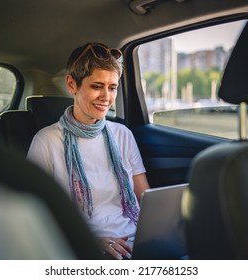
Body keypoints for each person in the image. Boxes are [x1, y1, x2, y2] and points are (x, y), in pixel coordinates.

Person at [27, 42, 150, 260]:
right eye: (96, 86)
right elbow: (34, 213)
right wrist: (91, 241)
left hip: (137, 239)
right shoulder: (46, 141)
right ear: (72, 84)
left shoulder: (123, 134)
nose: (106, 97)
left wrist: (159, 230)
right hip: (83, 245)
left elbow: (144, 197)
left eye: (112, 87)